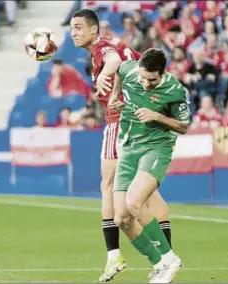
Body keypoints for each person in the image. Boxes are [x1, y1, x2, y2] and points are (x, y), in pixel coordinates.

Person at [70, 9, 173, 282]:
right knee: (147, 194)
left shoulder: (104, 47)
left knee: (109, 187)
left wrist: (105, 73)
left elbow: (113, 60)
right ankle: (166, 258)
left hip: (122, 122)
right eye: (72, 28)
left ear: (94, 29)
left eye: (79, 27)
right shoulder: (113, 44)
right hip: (144, 121)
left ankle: (117, 254)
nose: (74, 32)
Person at [108, 48, 188, 283]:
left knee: (135, 202)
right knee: (121, 219)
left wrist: (158, 116)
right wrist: (115, 96)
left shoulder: (175, 90)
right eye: (142, 77)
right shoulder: (131, 70)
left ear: (162, 74)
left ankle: (170, 258)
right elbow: (119, 71)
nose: (144, 83)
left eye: (151, 80)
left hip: (156, 147)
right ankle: (159, 264)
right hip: (128, 147)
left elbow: (183, 126)